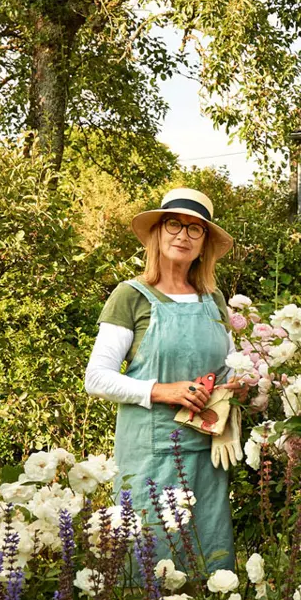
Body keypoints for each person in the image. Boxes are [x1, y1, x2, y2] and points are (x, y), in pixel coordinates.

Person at [84, 187, 242, 571]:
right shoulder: (131, 297)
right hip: (150, 454)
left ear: (204, 242)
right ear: (157, 233)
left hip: (207, 451)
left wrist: (237, 387)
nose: (183, 236)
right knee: (150, 557)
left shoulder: (213, 299)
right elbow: (97, 378)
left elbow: (231, 365)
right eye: (174, 224)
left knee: (206, 554)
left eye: (195, 229)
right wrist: (161, 390)